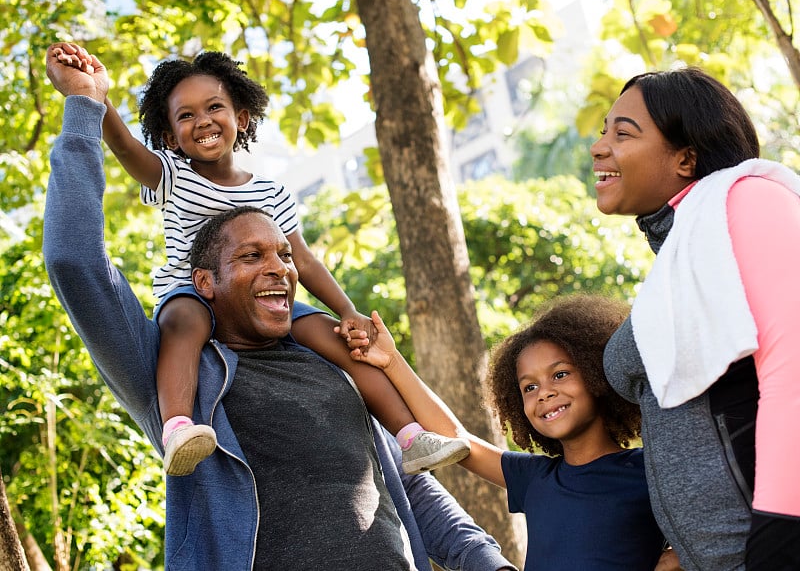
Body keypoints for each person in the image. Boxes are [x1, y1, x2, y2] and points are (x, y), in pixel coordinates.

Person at [42, 44, 516, 571]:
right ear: (208, 281)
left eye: (282, 255)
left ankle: (413, 431)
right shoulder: (180, 371)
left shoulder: (328, 366)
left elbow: (411, 493)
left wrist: (485, 561)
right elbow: (74, 259)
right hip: (186, 337)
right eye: (250, 256)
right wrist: (88, 102)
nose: (279, 268)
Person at [592, 66, 800, 570]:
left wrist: (780, 537)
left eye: (623, 133)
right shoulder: (681, 256)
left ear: (686, 158)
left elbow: (793, 368)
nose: (599, 147)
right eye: (603, 130)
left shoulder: (749, 197)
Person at [340, 295, 678, 570]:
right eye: (529, 387)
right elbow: (456, 438)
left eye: (559, 375)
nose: (543, 392)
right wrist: (393, 361)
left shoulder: (649, 470)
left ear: (597, 374)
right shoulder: (534, 478)